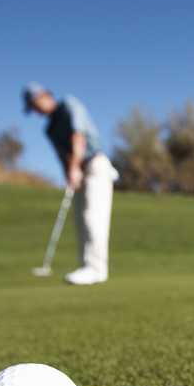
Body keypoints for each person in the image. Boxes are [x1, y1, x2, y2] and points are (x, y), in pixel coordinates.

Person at [23, 82, 118, 285]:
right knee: (80, 220)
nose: (36, 110)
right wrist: (69, 173)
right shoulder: (49, 129)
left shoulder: (69, 105)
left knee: (93, 216)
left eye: (35, 103)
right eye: (32, 108)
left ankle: (96, 269)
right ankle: (86, 266)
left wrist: (74, 167)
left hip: (95, 165)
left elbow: (78, 137)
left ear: (45, 95)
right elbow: (61, 156)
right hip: (78, 171)